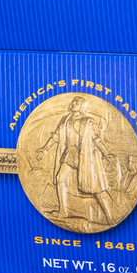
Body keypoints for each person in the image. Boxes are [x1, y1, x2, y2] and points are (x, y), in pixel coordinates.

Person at [31, 95, 117, 227]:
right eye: (73, 102)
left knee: (95, 188)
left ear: (82, 106)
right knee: (60, 178)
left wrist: (107, 154)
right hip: (69, 153)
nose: (73, 103)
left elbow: (96, 140)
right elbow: (56, 137)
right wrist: (44, 150)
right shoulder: (65, 120)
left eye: (77, 102)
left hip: (84, 156)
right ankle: (63, 211)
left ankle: (110, 217)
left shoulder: (87, 121)